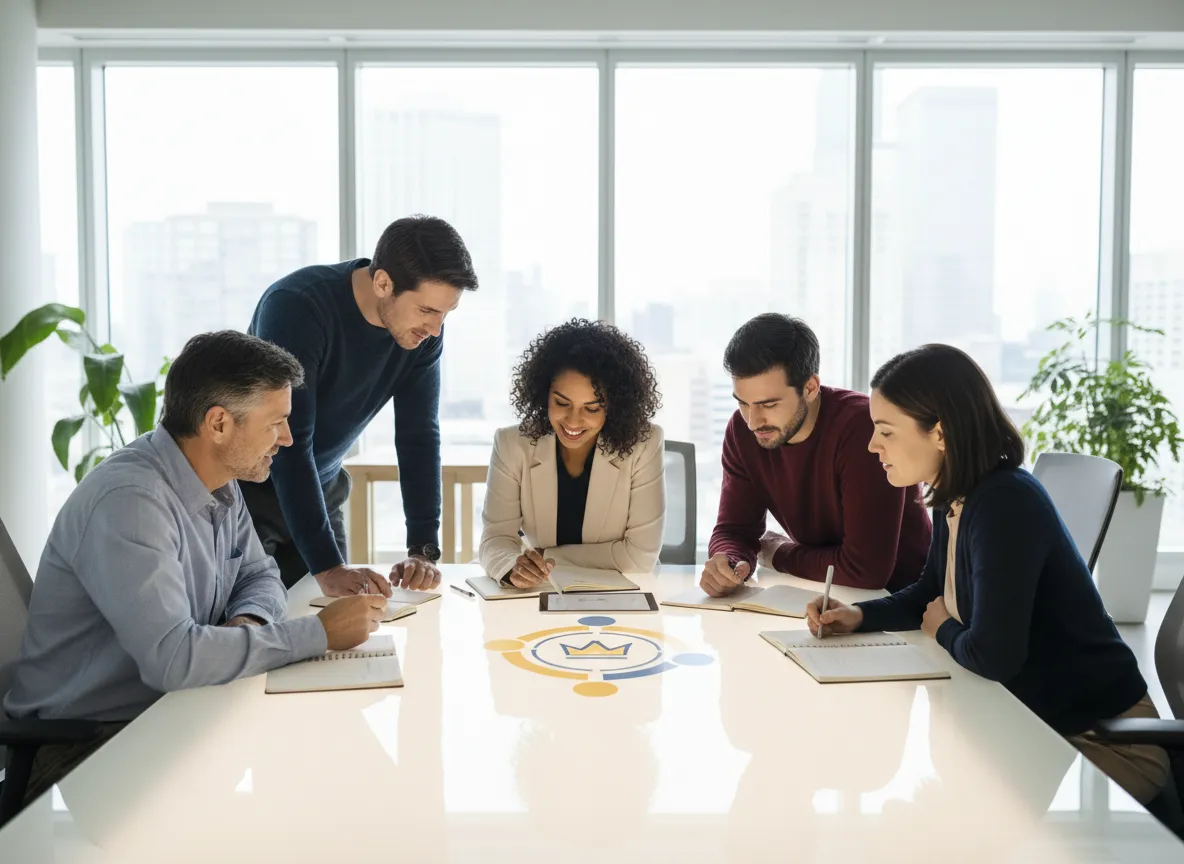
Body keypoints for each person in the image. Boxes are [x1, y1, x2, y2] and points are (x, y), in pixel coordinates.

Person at [4, 331, 387, 804]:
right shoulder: (132, 502)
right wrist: (319, 634)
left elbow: (260, 575)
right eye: (277, 422)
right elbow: (174, 660)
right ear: (219, 423)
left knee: (311, 773)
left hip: (172, 714)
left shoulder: (219, 483)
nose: (288, 438)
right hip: (86, 746)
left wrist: (246, 623)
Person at [807, 343, 1169, 807]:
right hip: (1039, 722)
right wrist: (857, 615)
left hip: (1101, 744)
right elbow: (930, 593)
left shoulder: (1004, 504)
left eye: (885, 431)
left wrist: (942, 629)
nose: (872, 445)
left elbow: (994, 655)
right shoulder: (956, 492)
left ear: (939, 433)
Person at [243, 215, 478, 597]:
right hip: (248, 495)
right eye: (427, 311)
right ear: (383, 282)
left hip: (320, 490)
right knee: (256, 624)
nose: (436, 330)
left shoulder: (422, 336)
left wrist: (422, 549)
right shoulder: (296, 307)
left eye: (445, 314)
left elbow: (419, 435)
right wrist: (328, 566)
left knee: (337, 629)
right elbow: (291, 441)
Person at [701, 314, 931, 597]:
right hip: (818, 596)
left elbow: (864, 570)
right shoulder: (742, 430)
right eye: (743, 404)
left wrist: (779, 553)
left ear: (810, 387)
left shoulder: (863, 429)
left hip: (901, 604)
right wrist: (729, 561)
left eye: (769, 404)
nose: (753, 421)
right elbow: (734, 529)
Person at [480, 319, 665, 586]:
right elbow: (495, 538)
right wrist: (513, 568)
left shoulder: (644, 444)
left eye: (591, 408)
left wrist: (544, 557)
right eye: (561, 403)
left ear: (614, 406)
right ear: (544, 394)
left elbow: (638, 559)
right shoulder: (512, 444)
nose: (573, 421)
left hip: (622, 591)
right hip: (541, 593)